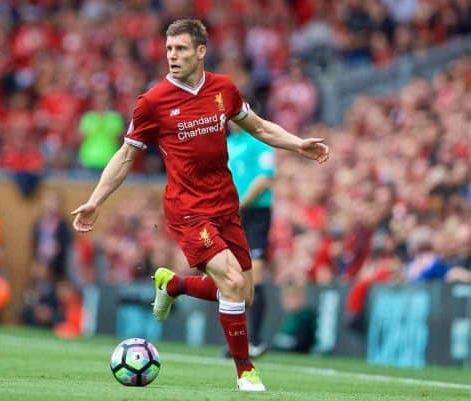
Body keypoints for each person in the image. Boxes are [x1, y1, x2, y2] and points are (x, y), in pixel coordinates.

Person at [72, 19, 329, 392]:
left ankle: (172, 284)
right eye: (169, 49)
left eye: (180, 49)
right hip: (187, 208)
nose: (172, 56)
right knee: (232, 281)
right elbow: (127, 156)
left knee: (243, 292)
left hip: (226, 204)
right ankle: (245, 370)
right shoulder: (153, 102)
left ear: (200, 51)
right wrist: (95, 200)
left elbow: (258, 127)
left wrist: (298, 143)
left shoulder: (223, 90)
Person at [225, 120, 276, 358]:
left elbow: (265, 178)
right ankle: (237, 341)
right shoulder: (227, 143)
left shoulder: (260, 141)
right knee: (232, 277)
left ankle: (254, 340)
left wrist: (241, 203)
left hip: (255, 215)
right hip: (231, 215)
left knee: (252, 276)